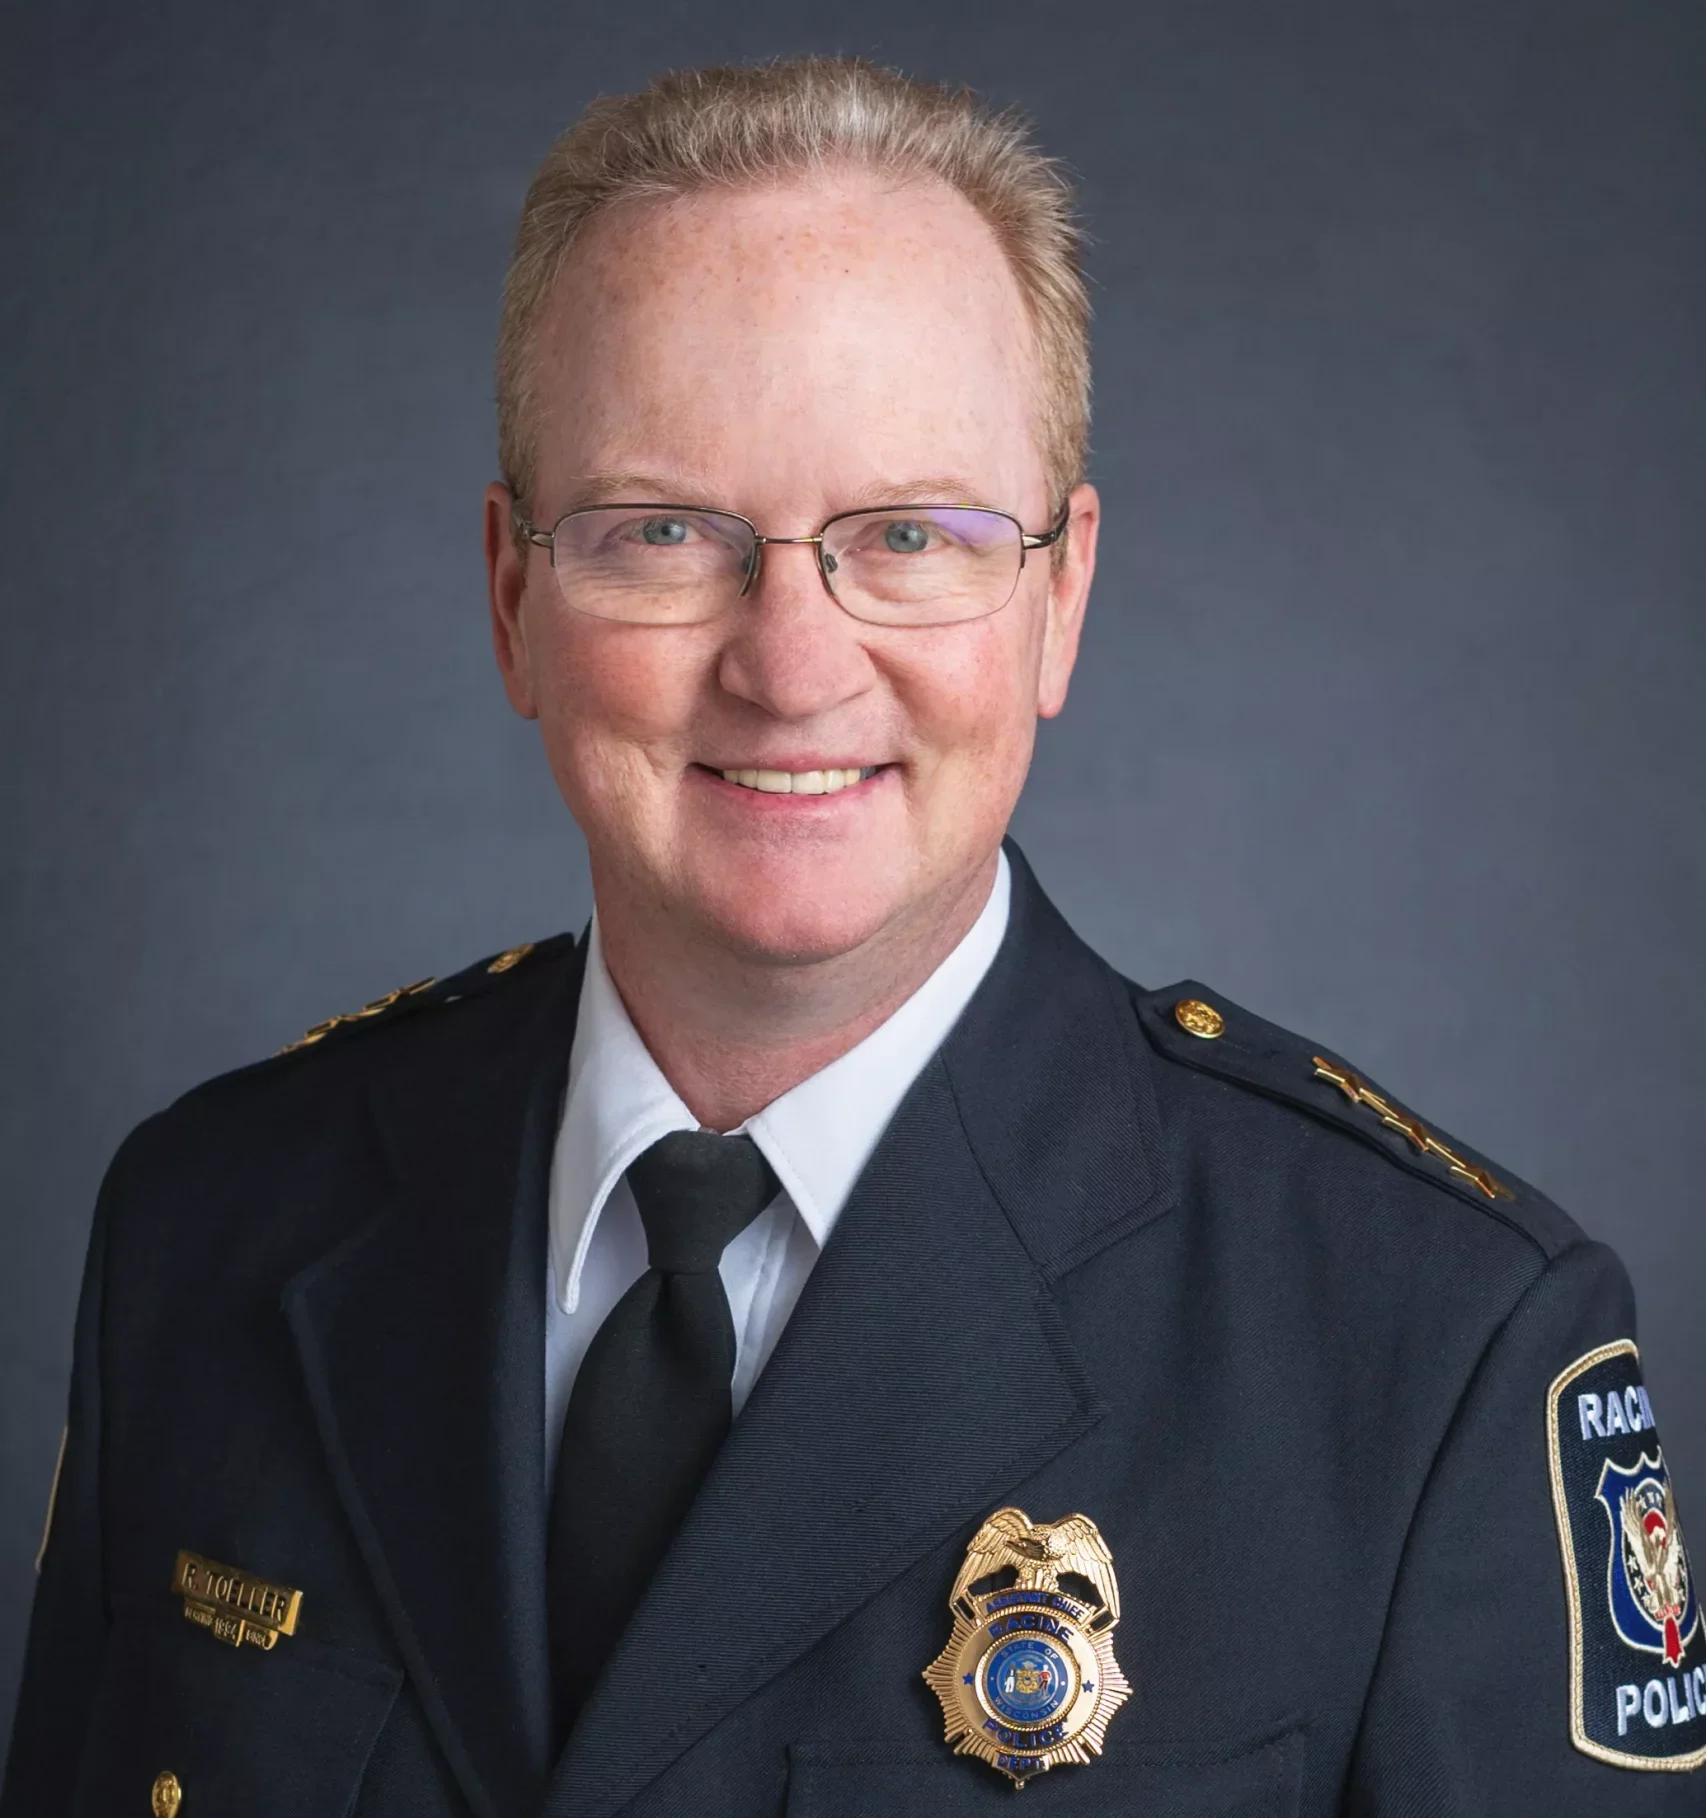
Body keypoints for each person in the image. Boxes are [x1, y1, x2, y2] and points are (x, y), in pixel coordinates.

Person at [3, 55, 1700, 1818]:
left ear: (1058, 596)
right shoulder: (209, 1229)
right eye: (665, 531)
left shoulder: (1429, 1345)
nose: (790, 664)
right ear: (513, 595)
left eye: (906, 534)